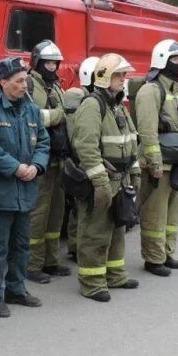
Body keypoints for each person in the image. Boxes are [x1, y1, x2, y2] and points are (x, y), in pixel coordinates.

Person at [0, 57, 51, 317]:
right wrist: (16, 168)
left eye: (25, 80)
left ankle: (16, 289)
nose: (24, 85)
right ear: (3, 82)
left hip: (25, 190)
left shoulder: (31, 109)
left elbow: (43, 141)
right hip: (0, 192)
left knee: (21, 245)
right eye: (18, 81)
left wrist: (37, 166)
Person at [72, 53, 141, 301]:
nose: (124, 79)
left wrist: (134, 173)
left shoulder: (116, 105)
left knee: (116, 230)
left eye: (124, 75)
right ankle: (92, 283)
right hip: (101, 182)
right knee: (95, 232)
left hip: (119, 180)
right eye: (119, 75)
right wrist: (100, 183)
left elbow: (131, 141)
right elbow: (87, 148)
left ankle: (115, 276)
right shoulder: (93, 105)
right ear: (105, 78)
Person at [135, 39, 178, 276]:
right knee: (155, 213)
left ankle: (166, 252)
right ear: (161, 60)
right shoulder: (151, 90)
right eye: (174, 59)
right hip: (160, 164)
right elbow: (148, 130)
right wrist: (155, 163)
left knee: (172, 213)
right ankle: (153, 259)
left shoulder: (176, 89)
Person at [26, 40, 72, 283]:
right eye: (47, 62)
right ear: (37, 62)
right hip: (39, 159)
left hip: (58, 159)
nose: (52, 66)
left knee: (56, 212)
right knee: (38, 213)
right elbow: (32, 117)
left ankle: (51, 261)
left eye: (55, 62)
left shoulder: (56, 87)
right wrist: (59, 116)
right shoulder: (29, 84)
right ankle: (32, 265)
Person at [63, 56, 99, 262]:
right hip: (81, 159)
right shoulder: (83, 99)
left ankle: (75, 245)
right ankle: (77, 246)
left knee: (78, 205)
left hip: (77, 158)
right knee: (81, 206)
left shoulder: (89, 98)